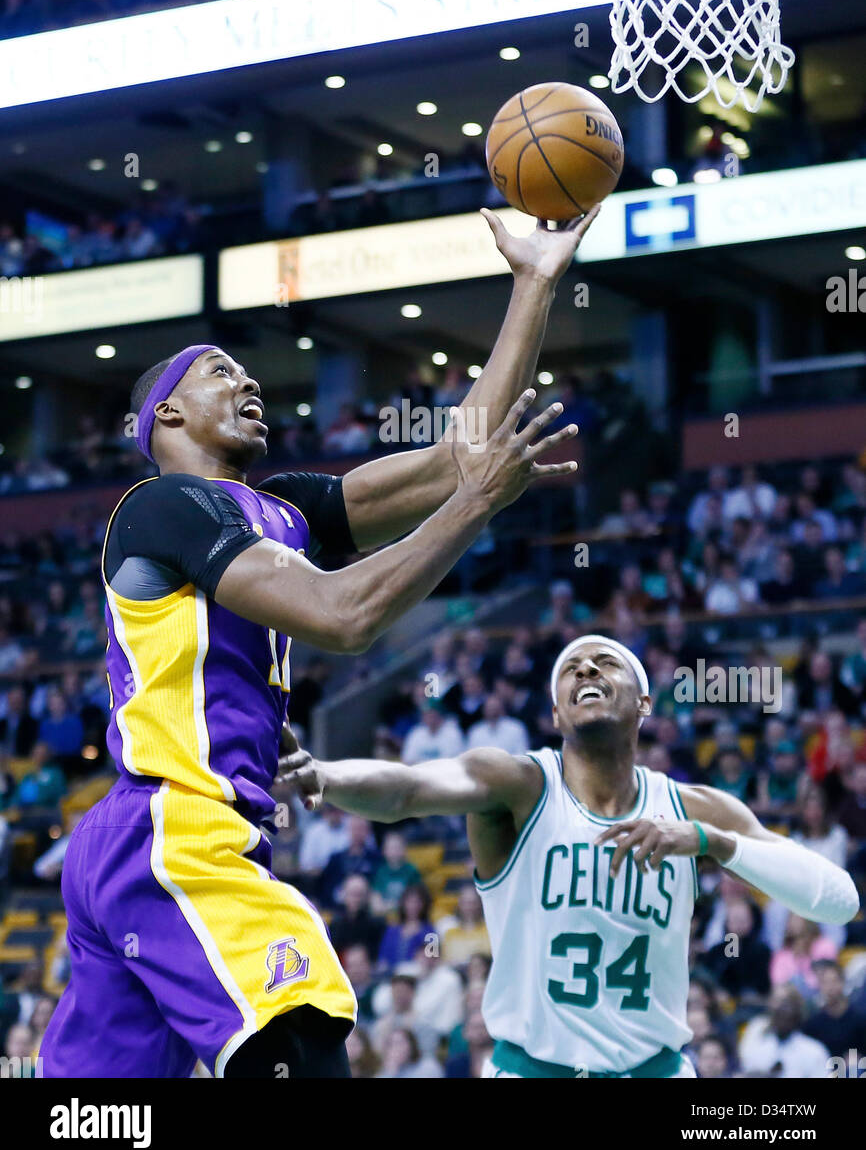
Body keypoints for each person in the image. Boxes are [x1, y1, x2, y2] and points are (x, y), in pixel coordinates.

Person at [40, 206, 599, 1081]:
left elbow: (458, 456)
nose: (248, 382)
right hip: (168, 830)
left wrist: (533, 281)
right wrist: (477, 505)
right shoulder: (164, 506)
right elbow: (345, 615)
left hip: (148, 841)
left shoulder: (280, 509)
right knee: (303, 1041)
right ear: (168, 418)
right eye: (222, 373)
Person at [280, 634, 859, 1078]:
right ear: (555, 716)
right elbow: (406, 788)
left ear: (644, 703)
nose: (586, 668)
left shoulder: (691, 807)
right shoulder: (518, 785)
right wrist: (324, 773)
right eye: (570, 668)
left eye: (606, 662)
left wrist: (713, 842)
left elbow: (839, 900)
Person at [738, 985, 831, 1078]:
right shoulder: (756, 1038)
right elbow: (745, 1068)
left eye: (786, 1003)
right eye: (777, 1002)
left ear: (797, 1011)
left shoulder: (814, 1052)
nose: (781, 1009)